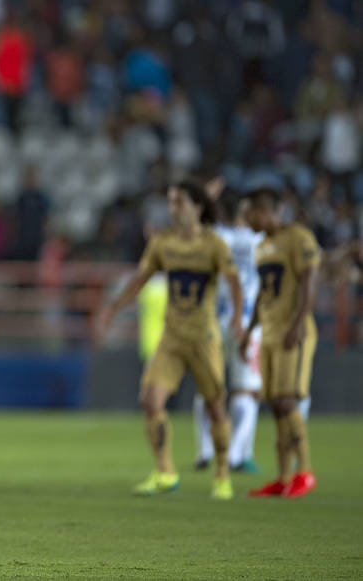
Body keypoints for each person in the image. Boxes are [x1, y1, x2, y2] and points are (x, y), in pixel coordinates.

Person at [95, 180, 243, 500]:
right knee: (150, 400)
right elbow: (140, 279)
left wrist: (237, 317)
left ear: (197, 207)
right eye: (171, 202)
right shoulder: (163, 243)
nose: (173, 209)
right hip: (172, 336)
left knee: (216, 406)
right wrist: (114, 308)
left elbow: (234, 283)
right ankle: (165, 471)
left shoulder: (214, 244)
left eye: (179, 202)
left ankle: (222, 474)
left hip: (204, 337)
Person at [243, 187, 321, 498]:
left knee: (288, 401)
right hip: (271, 332)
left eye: (249, 213)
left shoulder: (298, 237)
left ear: (265, 210)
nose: (245, 219)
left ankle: (305, 472)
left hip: (294, 331)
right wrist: (250, 331)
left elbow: (310, 279)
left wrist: (299, 323)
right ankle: (284, 476)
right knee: (275, 404)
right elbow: (264, 292)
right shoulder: (262, 246)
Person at [193, 187, 264, 473]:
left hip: (213, 320)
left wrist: (206, 195)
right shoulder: (261, 240)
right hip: (248, 324)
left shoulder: (214, 238)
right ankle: (236, 455)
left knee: (207, 386)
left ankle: (205, 449)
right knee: (247, 391)